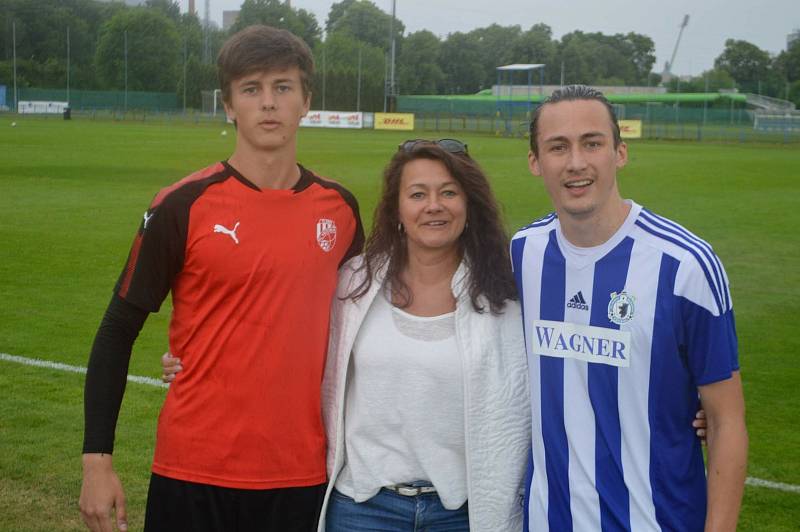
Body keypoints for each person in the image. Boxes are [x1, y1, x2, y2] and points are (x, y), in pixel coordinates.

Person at [79, 25, 363, 532]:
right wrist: (97, 463)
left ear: (306, 101)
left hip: (300, 474)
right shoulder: (182, 205)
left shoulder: (340, 211)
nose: (269, 103)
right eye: (251, 89)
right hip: (192, 470)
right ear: (229, 105)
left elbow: (364, 330)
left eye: (283, 87)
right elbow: (117, 329)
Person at [512, 85, 748, 531]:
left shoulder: (686, 267)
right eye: (558, 147)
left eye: (592, 143)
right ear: (535, 162)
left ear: (619, 153)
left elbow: (725, 420)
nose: (576, 162)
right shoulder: (521, 255)